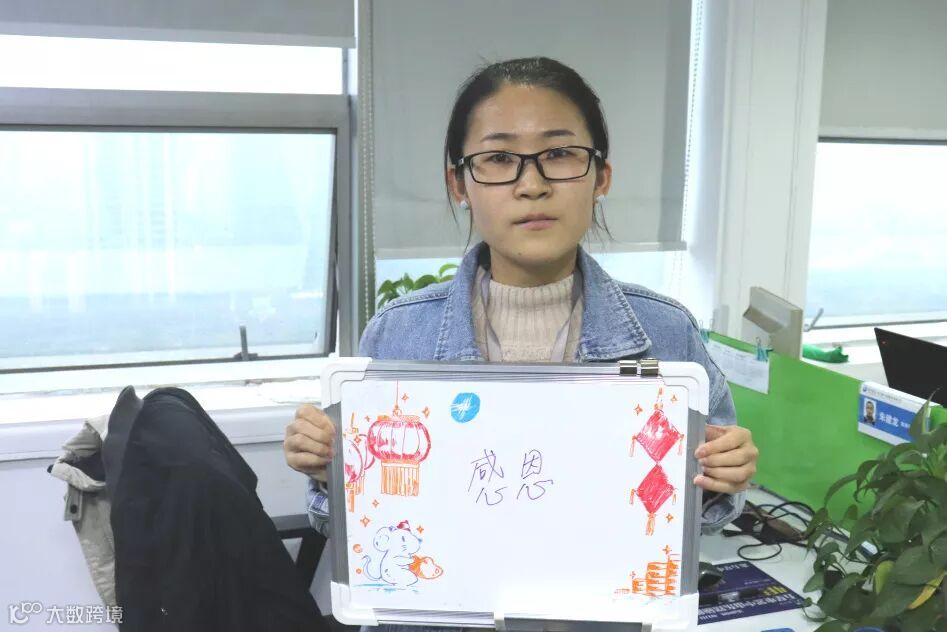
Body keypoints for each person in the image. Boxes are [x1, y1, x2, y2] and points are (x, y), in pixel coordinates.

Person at [284, 56, 759, 630]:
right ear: (459, 183)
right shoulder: (398, 333)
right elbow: (362, 524)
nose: (531, 184)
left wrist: (722, 476)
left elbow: (693, 519)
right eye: (499, 159)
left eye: (559, 154)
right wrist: (328, 469)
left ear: (600, 177)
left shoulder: (666, 333)